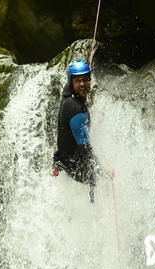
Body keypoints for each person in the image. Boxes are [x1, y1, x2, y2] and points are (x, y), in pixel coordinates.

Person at [52, 59, 99, 203]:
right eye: (78, 81)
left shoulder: (68, 97)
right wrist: (100, 170)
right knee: (99, 178)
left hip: (64, 160)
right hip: (74, 166)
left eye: (85, 80)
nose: (83, 84)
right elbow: (85, 146)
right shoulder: (76, 109)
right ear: (71, 82)